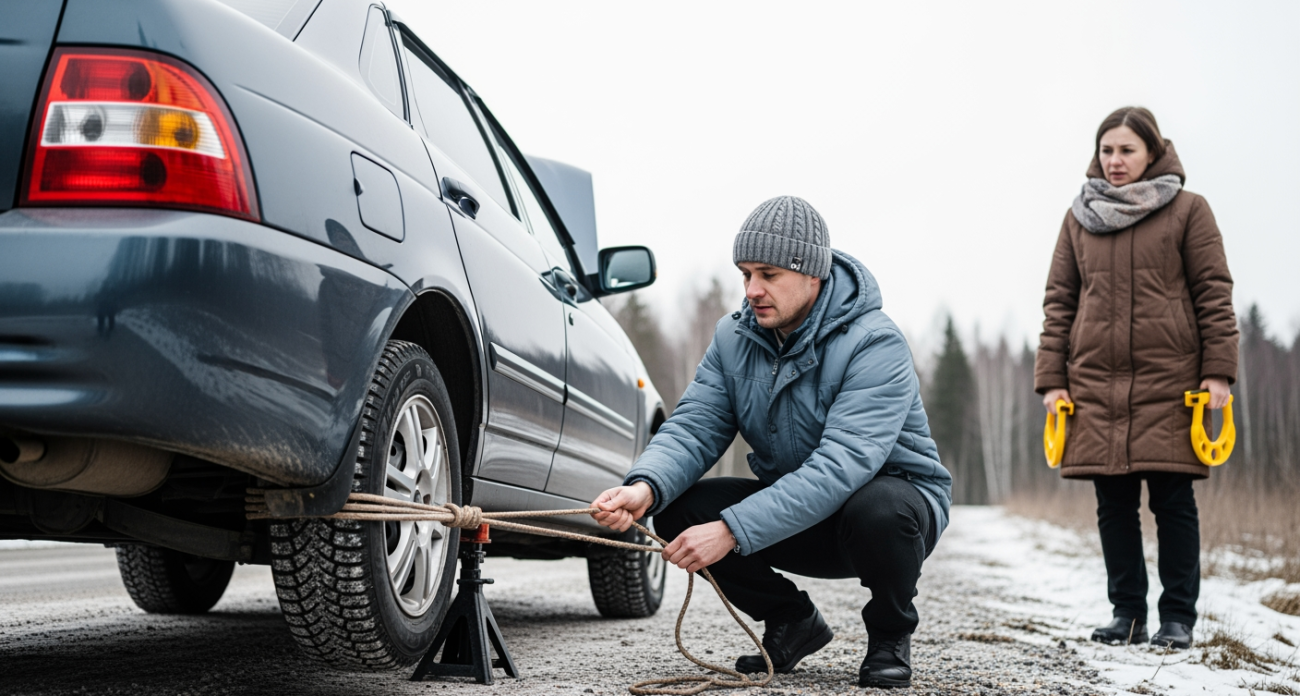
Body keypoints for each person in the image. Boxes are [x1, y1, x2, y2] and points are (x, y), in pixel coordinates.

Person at [591, 196, 953, 689]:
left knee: (880, 507)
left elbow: (841, 467)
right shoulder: (733, 337)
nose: (752, 290)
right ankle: (793, 621)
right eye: (745, 274)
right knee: (679, 507)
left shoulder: (874, 342)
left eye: (768, 274)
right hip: (799, 515)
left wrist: (732, 531)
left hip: (887, 517)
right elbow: (695, 425)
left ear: (813, 275)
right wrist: (644, 489)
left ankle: (890, 636)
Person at [1035, 107, 1238, 650]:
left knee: (1173, 503)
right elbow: (1060, 302)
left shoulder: (1188, 210)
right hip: (1096, 386)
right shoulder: (1079, 216)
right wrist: (1053, 379)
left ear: (1152, 151)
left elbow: (1214, 293)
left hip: (1172, 383)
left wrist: (1218, 371)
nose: (1115, 160)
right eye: (1107, 150)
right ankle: (1126, 615)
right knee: (1114, 506)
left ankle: (1177, 619)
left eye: (1126, 150)